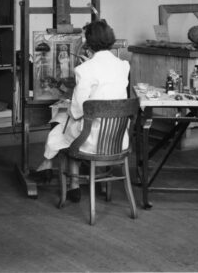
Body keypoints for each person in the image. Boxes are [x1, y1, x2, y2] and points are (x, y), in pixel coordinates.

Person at [31, 20, 129, 203]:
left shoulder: (85, 69)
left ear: (88, 43)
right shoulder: (123, 66)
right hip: (118, 139)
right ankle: (62, 175)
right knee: (65, 121)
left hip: (92, 141)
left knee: (62, 119)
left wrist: (83, 71)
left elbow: (77, 111)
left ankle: (50, 165)